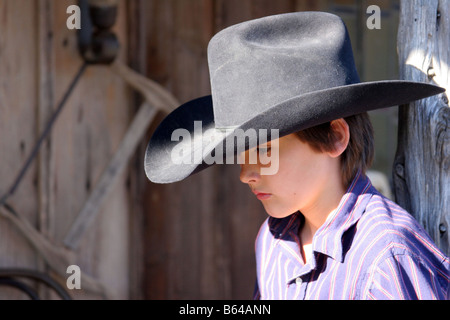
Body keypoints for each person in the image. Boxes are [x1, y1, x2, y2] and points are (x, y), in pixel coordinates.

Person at [144, 11, 449, 299]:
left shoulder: (385, 258)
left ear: (334, 137)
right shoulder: (274, 241)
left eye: (264, 149)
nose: (245, 174)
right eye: (240, 152)